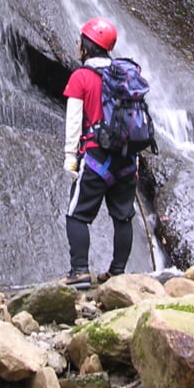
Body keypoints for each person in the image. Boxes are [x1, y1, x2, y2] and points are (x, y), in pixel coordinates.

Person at [61, 17, 137, 288]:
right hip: (127, 159)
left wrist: (70, 157)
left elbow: (73, 121)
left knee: (77, 214)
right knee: (123, 216)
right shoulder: (126, 76)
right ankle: (117, 273)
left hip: (96, 157)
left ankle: (79, 271)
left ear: (86, 46)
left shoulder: (81, 76)